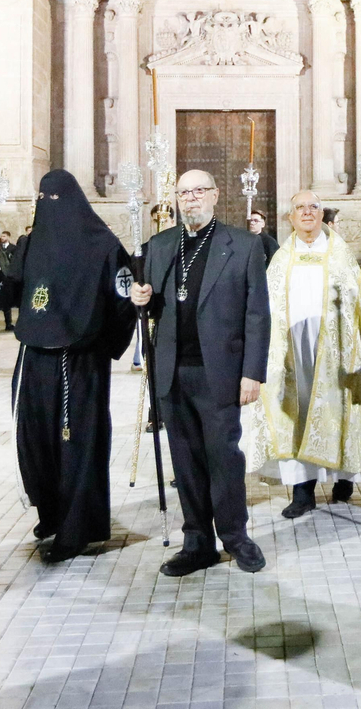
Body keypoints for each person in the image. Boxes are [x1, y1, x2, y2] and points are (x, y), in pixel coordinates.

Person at [129, 170, 270, 577]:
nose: (190, 199)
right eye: (183, 193)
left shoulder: (243, 245)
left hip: (220, 371)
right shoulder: (161, 245)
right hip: (173, 369)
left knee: (223, 458)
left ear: (214, 194)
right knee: (185, 460)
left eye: (198, 191)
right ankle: (197, 543)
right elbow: (150, 306)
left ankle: (236, 536)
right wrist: (139, 299)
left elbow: (258, 314)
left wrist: (252, 373)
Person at [4, 170, 135, 562]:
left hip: (79, 360)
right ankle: (51, 512)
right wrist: (0, 278)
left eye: (57, 199)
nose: (50, 205)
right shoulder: (29, 244)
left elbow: (122, 299)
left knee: (76, 443)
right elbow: (12, 294)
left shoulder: (104, 246)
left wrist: (104, 343)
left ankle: (79, 528)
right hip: (33, 356)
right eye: (43, 198)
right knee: (35, 440)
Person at [245, 190, 361, 519]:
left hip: (337, 354)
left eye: (313, 207)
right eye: (299, 208)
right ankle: (302, 491)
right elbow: (265, 306)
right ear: (290, 218)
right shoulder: (281, 258)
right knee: (299, 415)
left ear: (322, 215)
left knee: (337, 410)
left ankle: (343, 479)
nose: (307, 212)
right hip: (293, 355)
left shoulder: (341, 254)